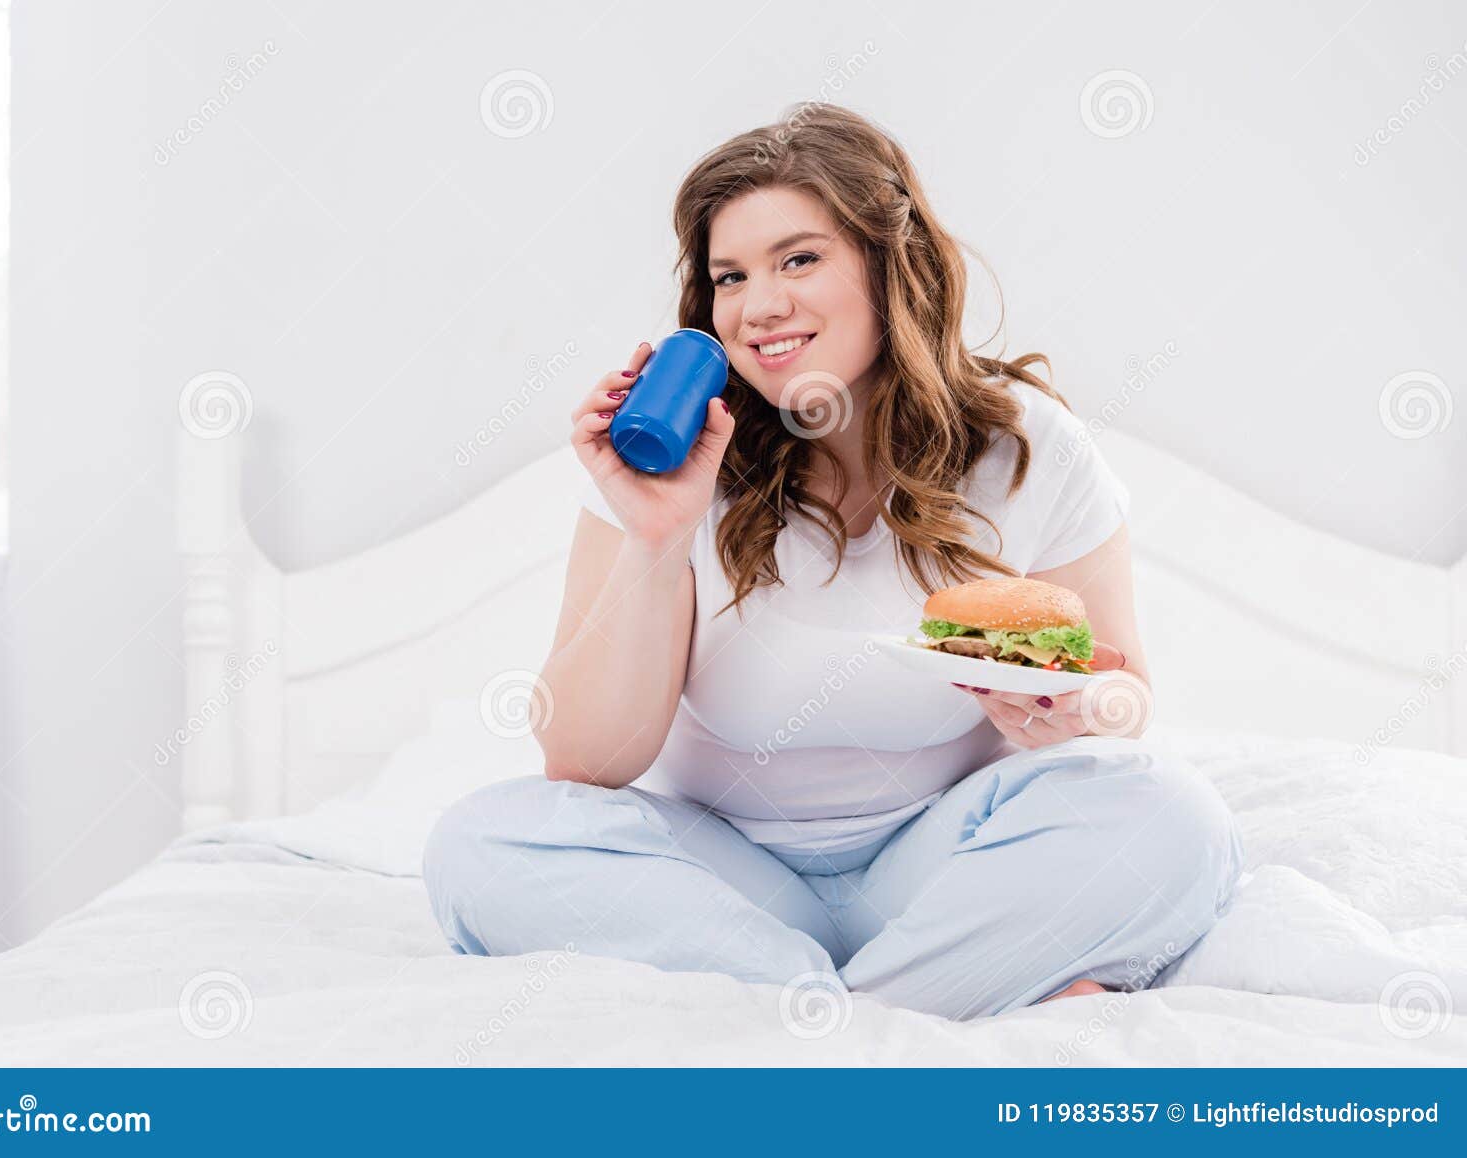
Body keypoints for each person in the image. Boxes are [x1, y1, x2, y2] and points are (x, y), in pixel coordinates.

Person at [424, 104, 1242, 1021]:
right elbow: (583, 761)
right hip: (722, 883)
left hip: (945, 867)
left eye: (799, 259)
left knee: (1170, 815)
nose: (758, 305)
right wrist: (657, 538)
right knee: (481, 844)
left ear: (892, 266)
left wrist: (1070, 710)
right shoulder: (671, 459)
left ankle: (811, 1023)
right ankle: (901, 1013)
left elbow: (1120, 699)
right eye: (729, 276)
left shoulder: (1026, 448)